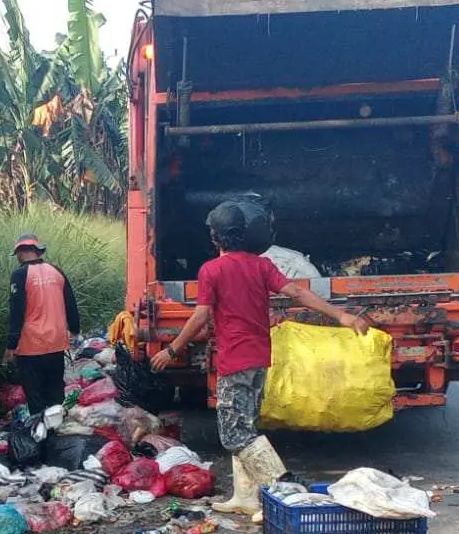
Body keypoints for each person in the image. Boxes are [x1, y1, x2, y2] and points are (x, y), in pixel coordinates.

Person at [152, 202, 371, 514]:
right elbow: (297, 292)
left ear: (215, 238)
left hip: (235, 360)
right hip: (259, 359)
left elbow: (200, 317)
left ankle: (283, 484)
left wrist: (171, 349)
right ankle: (245, 498)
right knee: (247, 427)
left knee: (234, 434)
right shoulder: (261, 266)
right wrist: (341, 315)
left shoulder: (211, 270)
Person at [2, 233, 80, 414]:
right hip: (56, 343)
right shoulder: (57, 271)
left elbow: (17, 312)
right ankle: (57, 432)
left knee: (35, 397)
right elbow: (71, 304)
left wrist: (11, 345)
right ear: (37, 250)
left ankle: (40, 434)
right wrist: (74, 330)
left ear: (20, 253)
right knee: (55, 393)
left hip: (31, 347)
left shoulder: (19, 275)